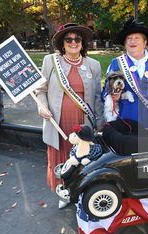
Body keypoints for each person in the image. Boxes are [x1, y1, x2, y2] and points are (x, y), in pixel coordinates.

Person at [35, 23, 104, 194]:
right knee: (61, 155)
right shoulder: (50, 61)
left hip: (83, 122)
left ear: (82, 42)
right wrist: (41, 107)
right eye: (68, 39)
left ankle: (79, 191)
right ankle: (62, 190)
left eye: (77, 39)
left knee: (82, 155)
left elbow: (97, 97)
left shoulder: (93, 65)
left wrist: (100, 122)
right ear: (62, 43)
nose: (73, 42)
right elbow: (40, 90)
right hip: (58, 121)